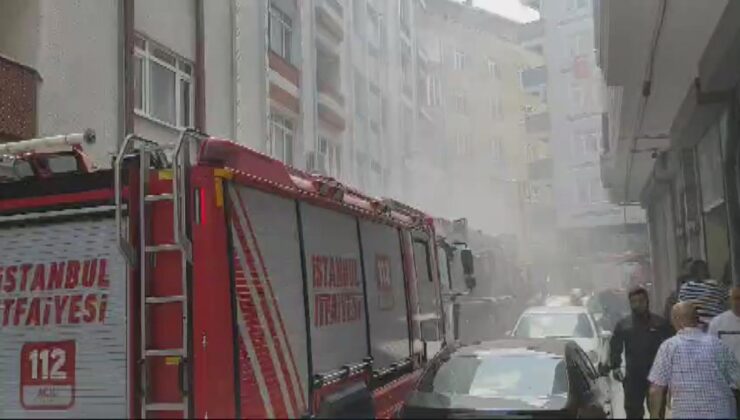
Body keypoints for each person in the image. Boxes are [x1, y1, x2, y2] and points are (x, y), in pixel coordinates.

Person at [648, 302, 740, 419]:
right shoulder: (718, 344)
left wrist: (654, 415)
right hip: (721, 412)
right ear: (696, 320)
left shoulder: (669, 347)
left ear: (677, 320)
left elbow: (655, 390)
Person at [606, 286, 674, 419]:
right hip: (633, 376)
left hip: (656, 375)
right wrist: (615, 366)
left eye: (640, 301)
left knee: (657, 412)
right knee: (633, 413)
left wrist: (671, 371)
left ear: (647, 301)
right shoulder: (624, 325)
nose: (637, 304)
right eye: (634, 301)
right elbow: (615, 346)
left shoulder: (660, 323)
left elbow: (671, 346)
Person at [678, 259, 727, 330]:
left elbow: (681, 307)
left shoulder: (685, 287)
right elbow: (728, 300)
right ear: (706, 271)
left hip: (693, 327)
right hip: (713, 325)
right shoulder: (715, 285)